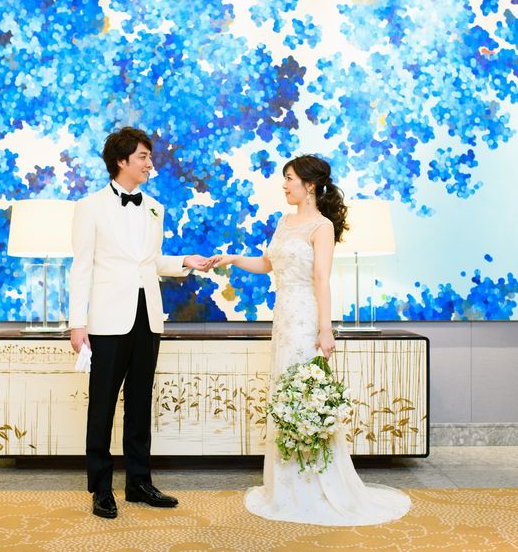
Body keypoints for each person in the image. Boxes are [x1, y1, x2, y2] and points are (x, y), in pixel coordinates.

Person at [210, 154, 410, 526]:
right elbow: (267, 264)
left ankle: (314, 484)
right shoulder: (284, 222)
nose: (284, 185)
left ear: (310, 185)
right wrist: (232, 259)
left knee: (305, 396)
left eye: (290, 178)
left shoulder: (322, 227)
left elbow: (321, 279)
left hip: (305, 318)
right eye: (284, 178)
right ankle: (286, 488)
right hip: (283, 318)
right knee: (284, 396)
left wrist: (325, 329)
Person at [69, 127, 212, 519]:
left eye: (150, 156)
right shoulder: (90, 207)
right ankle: (101, 488)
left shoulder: (154, 207)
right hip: (106, 321)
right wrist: (77, 324)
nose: (150, 163)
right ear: (121, 161)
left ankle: (138, 482)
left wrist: (185, 261)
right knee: (102, 406)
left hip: (147, 317)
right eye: (143, 157)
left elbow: (150, 261)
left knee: (139, 404)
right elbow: (81, 268)